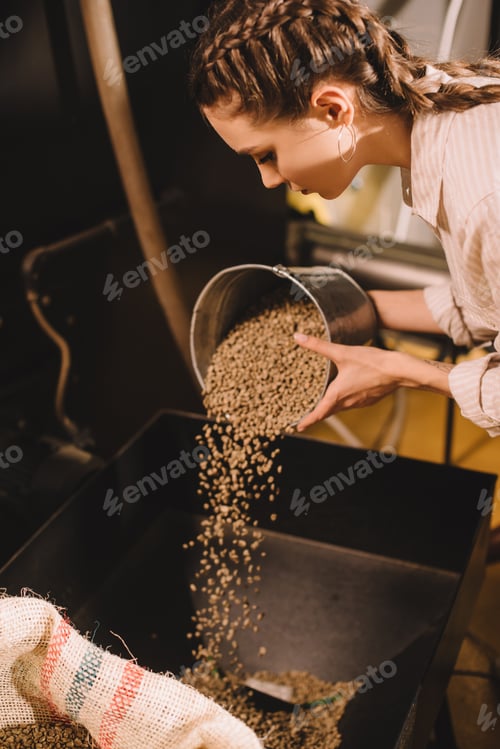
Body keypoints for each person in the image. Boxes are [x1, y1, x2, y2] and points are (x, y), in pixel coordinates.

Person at [189, 0, 500, 556]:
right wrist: (348, 310)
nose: (267, 181)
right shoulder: (448, 114)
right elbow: (487, 300)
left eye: (265, 155)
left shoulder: (483, 195)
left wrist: (408, 372)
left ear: (334, 110)